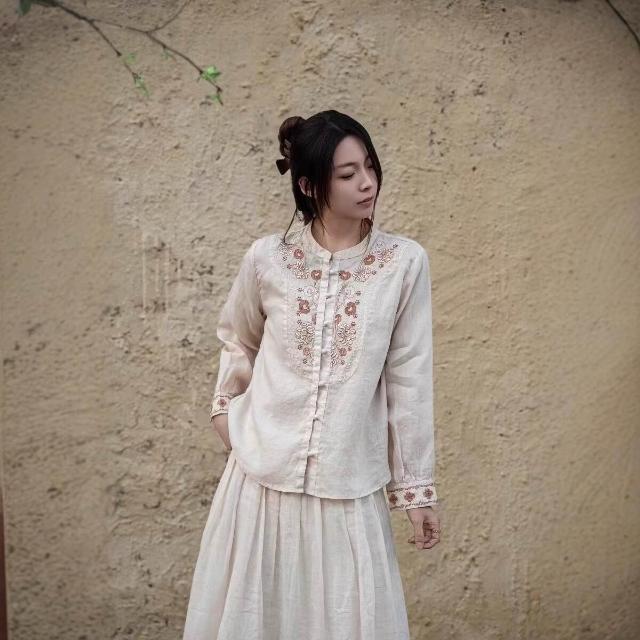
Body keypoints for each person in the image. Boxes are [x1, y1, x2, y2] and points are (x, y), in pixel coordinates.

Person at [182, 110, 441, 640]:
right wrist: (226, 416)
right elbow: (238, 338)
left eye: (369, 166)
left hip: (347, 490)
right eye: (347, 174)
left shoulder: (403, 264)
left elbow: (409, 379)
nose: (366, 182)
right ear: (308, 185)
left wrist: (416, 490)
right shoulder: (267, 260)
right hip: (259, 486)